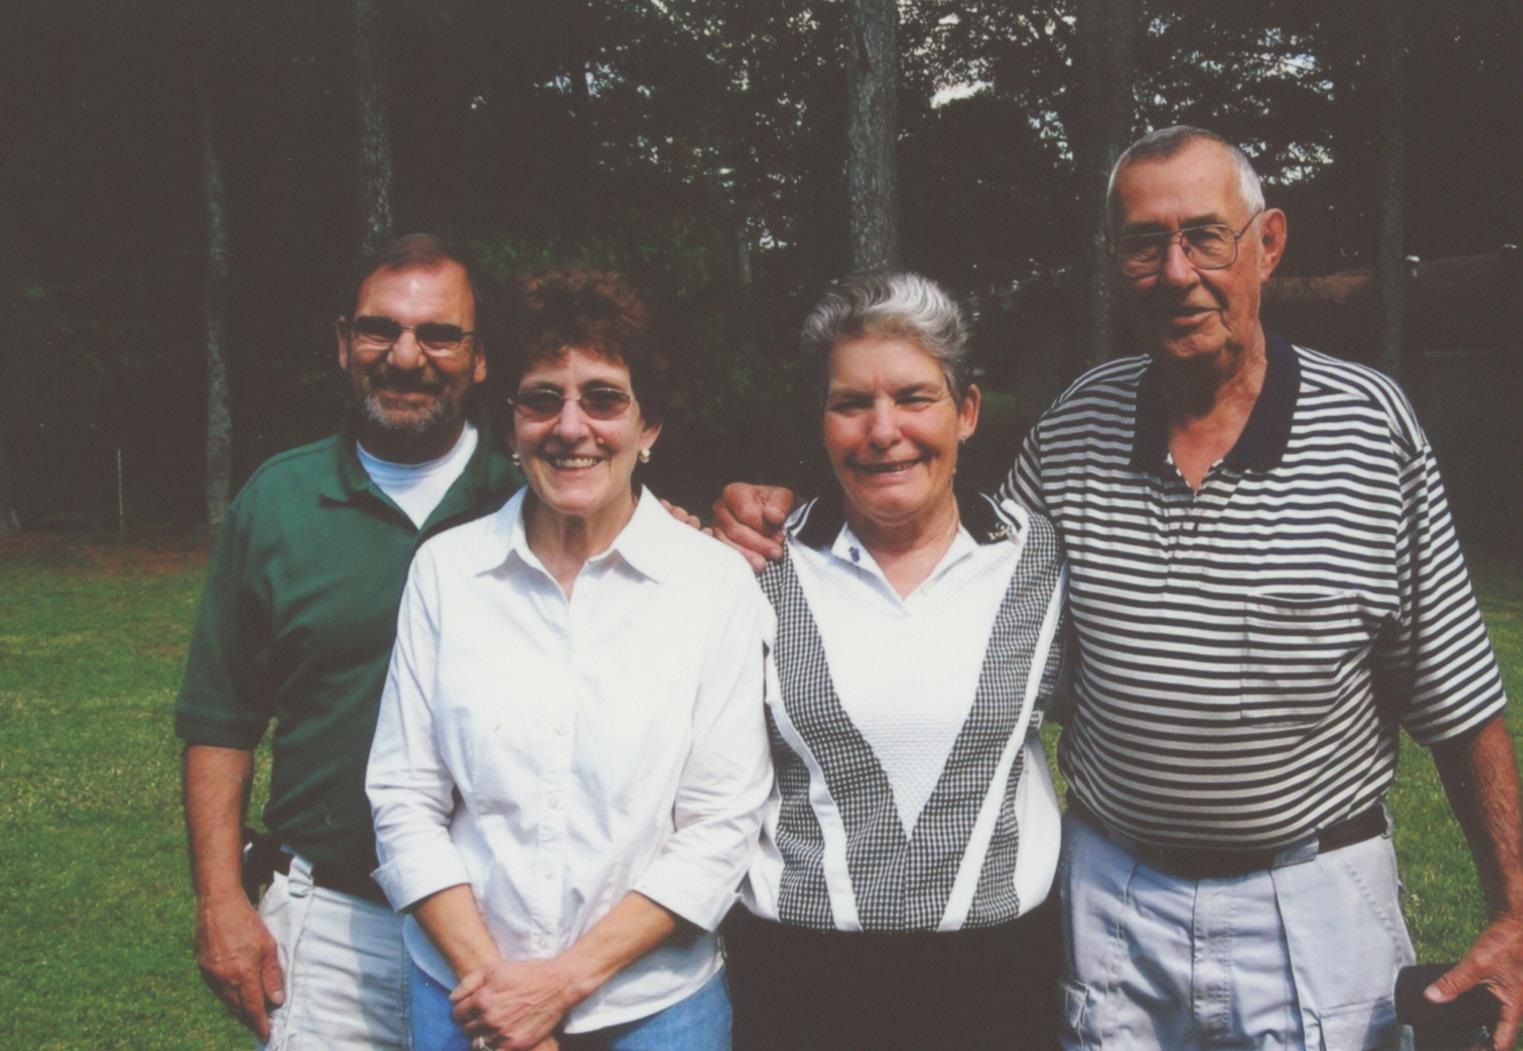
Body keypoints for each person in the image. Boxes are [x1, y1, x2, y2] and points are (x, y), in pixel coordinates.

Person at [713, 127, 1523, 1051]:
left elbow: (1457, 691)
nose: (1176, 272)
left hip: (1311, 890)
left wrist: (1513, 910)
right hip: (1115, 895)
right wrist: (764, 513)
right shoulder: (1074, 430)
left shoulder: (1367, 427)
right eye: (1143, 244)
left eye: (1204, 236)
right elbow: (946, 557)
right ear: (1115, 264)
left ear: (1267, 244)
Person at [365, 269, 772, 1051]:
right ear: (510, 424)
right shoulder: (447, 572)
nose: (570, 426)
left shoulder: (713, 585)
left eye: (604, 398)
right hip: (466, 998)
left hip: (656, 1008)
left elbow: (720, 824)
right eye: (542, 399)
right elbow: (404, 796)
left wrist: (557, 985)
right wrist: (501, 997)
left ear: (649, 426)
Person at [176, 233, 520, 1049]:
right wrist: (220, 900)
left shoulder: (532, 495)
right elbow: (220, 720)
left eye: (439, 334)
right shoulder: (279, 501)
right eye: (379, 329)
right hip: (333, 924)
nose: (405, 356)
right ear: (343, 342)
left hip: (510, 928)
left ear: (479, 358)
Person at [720, 273, 1067, 1051]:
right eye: (851, 403)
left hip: (996, 982)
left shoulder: (1041, 558)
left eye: (914, 397)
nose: (883, 431)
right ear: (821, 422)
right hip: (799, 982)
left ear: (965, 411)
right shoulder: (754, 565)